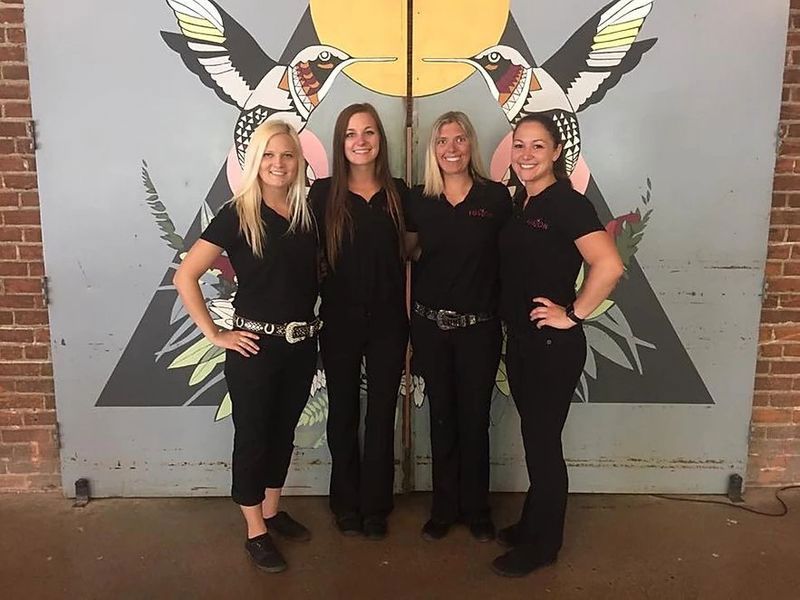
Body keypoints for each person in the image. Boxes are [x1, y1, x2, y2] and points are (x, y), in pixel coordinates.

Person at [173, 120, 321, 573]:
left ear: (298, 162)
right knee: (254, 437)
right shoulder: (238, 213)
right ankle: (255, 530)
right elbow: (186, 276)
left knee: (283, 432)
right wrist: (215, 335)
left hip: (300, 345)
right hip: (254, 349)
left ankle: (273, 512)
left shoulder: (307, 212)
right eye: (270, 155)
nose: (279, 164)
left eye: (288, 155)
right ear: (256, 161)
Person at [493, 114, 624, 577]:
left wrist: (572, 314)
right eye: (519, 145)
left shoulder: (568, 203)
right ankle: (533, 523)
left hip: (552, 345)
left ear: (555, 154)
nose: (526, 155)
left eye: (537, 146)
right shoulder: (523, 204)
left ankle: (543, 546)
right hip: (524, 342)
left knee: (543, 445)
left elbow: (608, 265)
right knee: (536, 439)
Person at [405, 111, 511, 543]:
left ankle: (477, 508)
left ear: (471, 146)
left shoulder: (496, 198)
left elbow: (513, 259)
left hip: (479, 329)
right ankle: (444, 507)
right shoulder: (418, 199)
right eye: (442, 141)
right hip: (431, 328)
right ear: (433, 149)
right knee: (442, 418)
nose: (451, 148)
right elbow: (407, 257)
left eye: (459, 139)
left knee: (475, 418)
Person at [308, 103, 409, 540]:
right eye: (351, 134)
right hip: (339, 321)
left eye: (369, 132)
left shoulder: (399, 193)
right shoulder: (322, 194)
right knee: (343, 413)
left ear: (380, 141)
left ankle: (376, 506)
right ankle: (344, 502)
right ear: (340, 142)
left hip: (389, 321)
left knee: (382, 412)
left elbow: (415, 252)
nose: (361, 141)